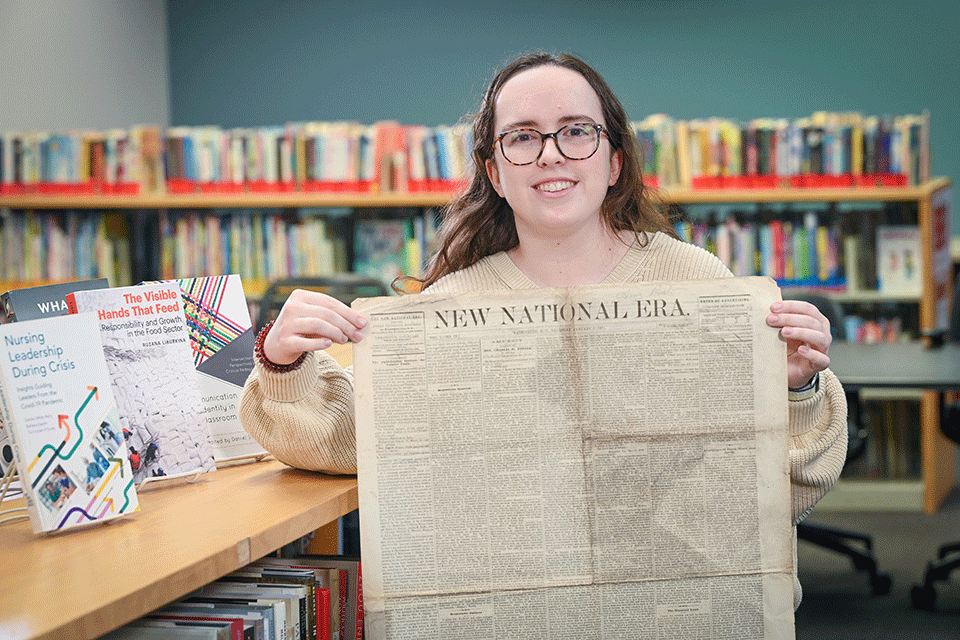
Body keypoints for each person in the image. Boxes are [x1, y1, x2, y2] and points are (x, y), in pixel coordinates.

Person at [240, 51, 847, 610]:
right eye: (523, 137)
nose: (551, 153)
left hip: (675, 605)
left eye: (576, 131)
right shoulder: (447, 306)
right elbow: (352, 445)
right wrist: (284, 365)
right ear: (496, 174)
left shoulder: (697, 283)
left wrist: (793, 391)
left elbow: (785, 491)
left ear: (615, 162)